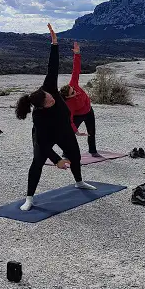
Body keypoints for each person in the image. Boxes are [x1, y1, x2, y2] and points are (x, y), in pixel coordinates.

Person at [15, 24, 96, 211]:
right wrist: (56, 159)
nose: (53, 98)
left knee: (75, 156)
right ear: (41, 106)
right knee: (37, 163)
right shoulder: (39, 117)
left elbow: (53, 67)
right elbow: (43, 143)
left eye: (51, 96)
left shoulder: (49, 87)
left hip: (64, 131)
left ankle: (79, 182)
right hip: (46, 137)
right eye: (49, 101)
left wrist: (54, 43)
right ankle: (29, 198)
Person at [59, 41, 100, 158]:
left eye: (73, 89)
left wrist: (77, 54)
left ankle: (93, 150)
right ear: (68, 97)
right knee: (69, 133)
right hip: (79, 114)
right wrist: (76, 131)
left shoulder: (73, 84)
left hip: (89, 110)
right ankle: (66, 153)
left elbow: (76, 70)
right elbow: (70, 121)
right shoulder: (68, 105)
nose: (75, 91)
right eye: (73, 93)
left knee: (92, 131)